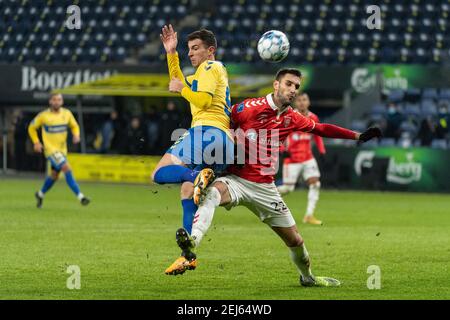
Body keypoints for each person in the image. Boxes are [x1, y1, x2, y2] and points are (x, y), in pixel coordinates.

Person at [164, 68, 381, 286]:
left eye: (296, 86)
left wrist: (358, 136)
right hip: (236, 180)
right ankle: (192, 242)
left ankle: (308, 277)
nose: (293, 90)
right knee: (211, 194)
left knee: (295, 240)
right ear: (276, 85)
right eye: (289, 84)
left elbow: (322, 128)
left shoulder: (293, 118)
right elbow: (220, 127)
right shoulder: (248, 108)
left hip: (266, 188)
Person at [151, 25, 234, 268]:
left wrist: (183, 90)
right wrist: (171, 53)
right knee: (187, 192)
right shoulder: (205, 73)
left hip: (205, 131)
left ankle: (197, 174)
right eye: (189, 49)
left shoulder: (210, 66)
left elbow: (204, 100)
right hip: (221, 141)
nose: (191, 53)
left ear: (211, 50)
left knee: (157, 173)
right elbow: (177, 80)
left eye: (195, 48)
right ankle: (188, 255)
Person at [28, 93, 90, 208]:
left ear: (62, 102)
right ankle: (81, 197)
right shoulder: (43, 116)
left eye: (59, 100)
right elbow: (31, 128)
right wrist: (36, 142)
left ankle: (40, 194)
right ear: (50, 101)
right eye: (54, 99)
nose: (57, 102)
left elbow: (75, 125)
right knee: (66, 167)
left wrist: (76, 135)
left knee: (54, 176)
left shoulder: (67, 114)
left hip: (62, 150)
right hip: (50, 150)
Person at [277, 93, 326, 225]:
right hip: (292, 158)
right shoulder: (290, 116)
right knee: (287, 189)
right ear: (295, 103)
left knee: (315, 184)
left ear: (308, 102)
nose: (302, 102)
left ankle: (309, 216)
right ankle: (266, 196)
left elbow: (318, 135)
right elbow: (281, 134)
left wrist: (322, 151)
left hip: (308, 158)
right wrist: (282, 150)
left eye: (304, 100)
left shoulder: (313, 117)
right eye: (299, 100)